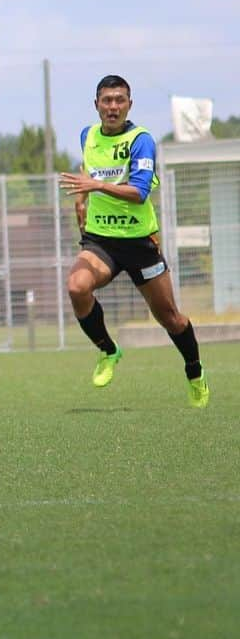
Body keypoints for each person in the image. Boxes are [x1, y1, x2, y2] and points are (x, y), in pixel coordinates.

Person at [59, 74, 208, 408]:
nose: (113, 106)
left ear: (129, 104)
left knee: (170, 317)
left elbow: (139, 193)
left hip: (140, 243)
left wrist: (96, 187)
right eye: (106, 100)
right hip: (101, 241)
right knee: (76, 287)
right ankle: (109, 350)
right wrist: (80, 201)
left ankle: (195, 371)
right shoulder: (88, 136)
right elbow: (88, 173)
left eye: (119, 100)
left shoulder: (142, 140)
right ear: (96, 104)